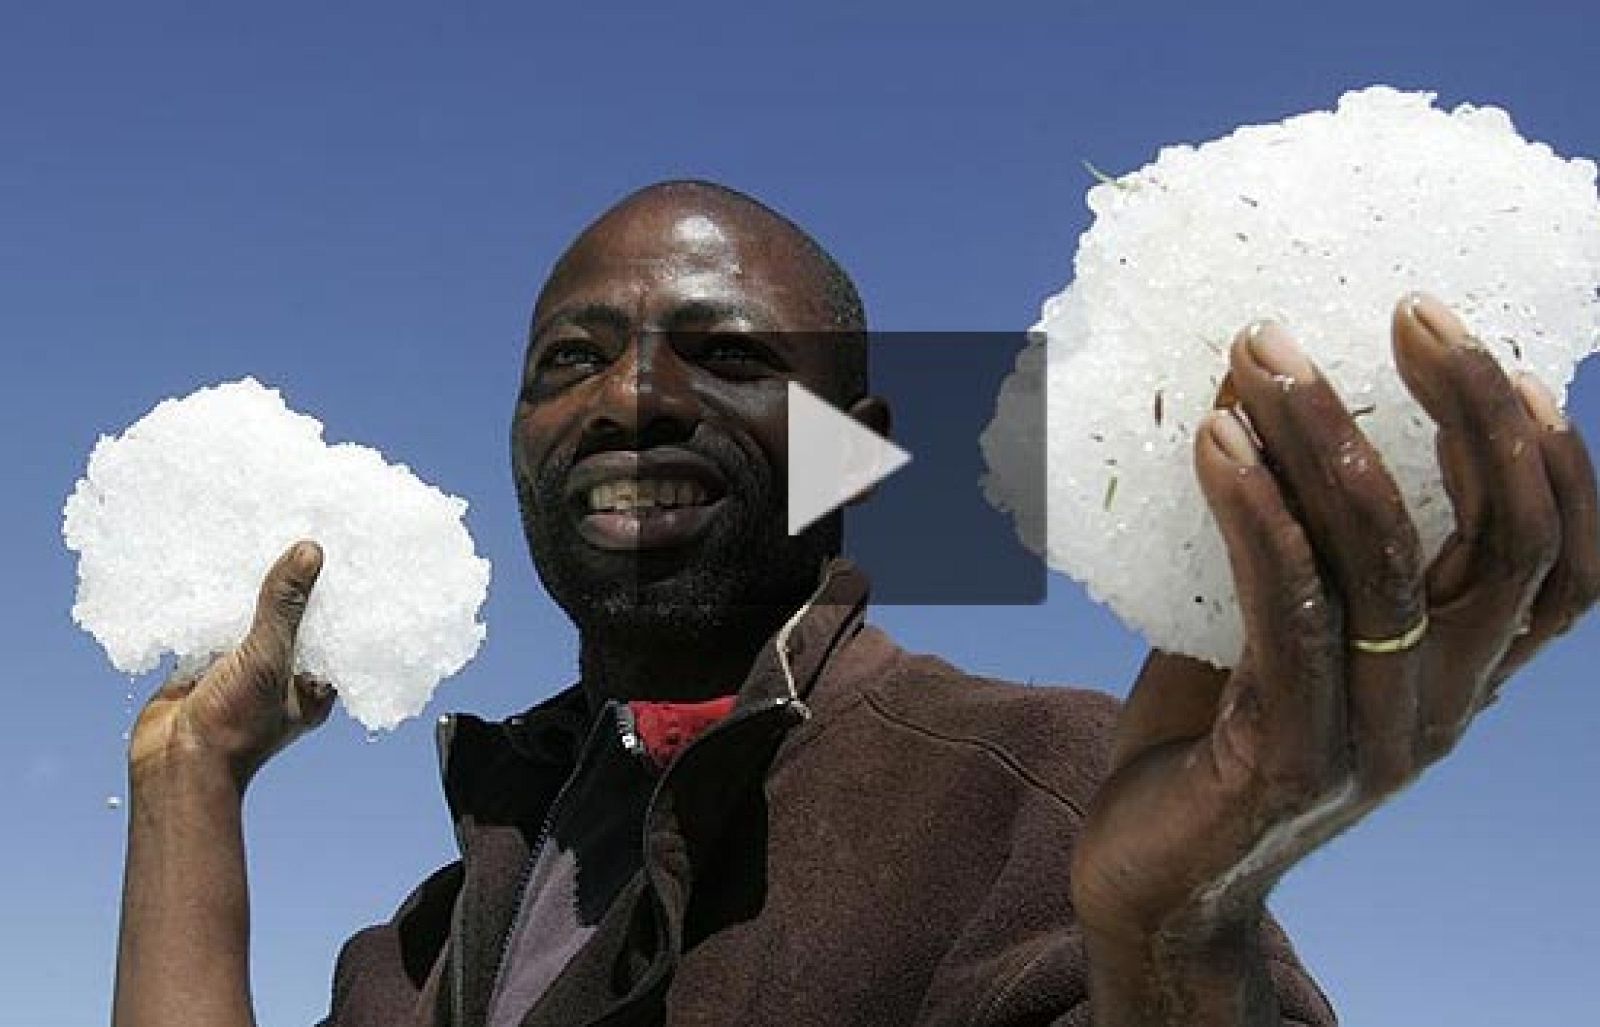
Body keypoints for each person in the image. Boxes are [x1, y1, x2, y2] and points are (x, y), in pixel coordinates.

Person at [113, 180, 1599, 1026]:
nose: (632, 398)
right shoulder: (431, 941)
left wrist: (1171, 942)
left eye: (727, 354)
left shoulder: (1039, 799)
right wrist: (188, 785)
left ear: (852, 450)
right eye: (570, 360)